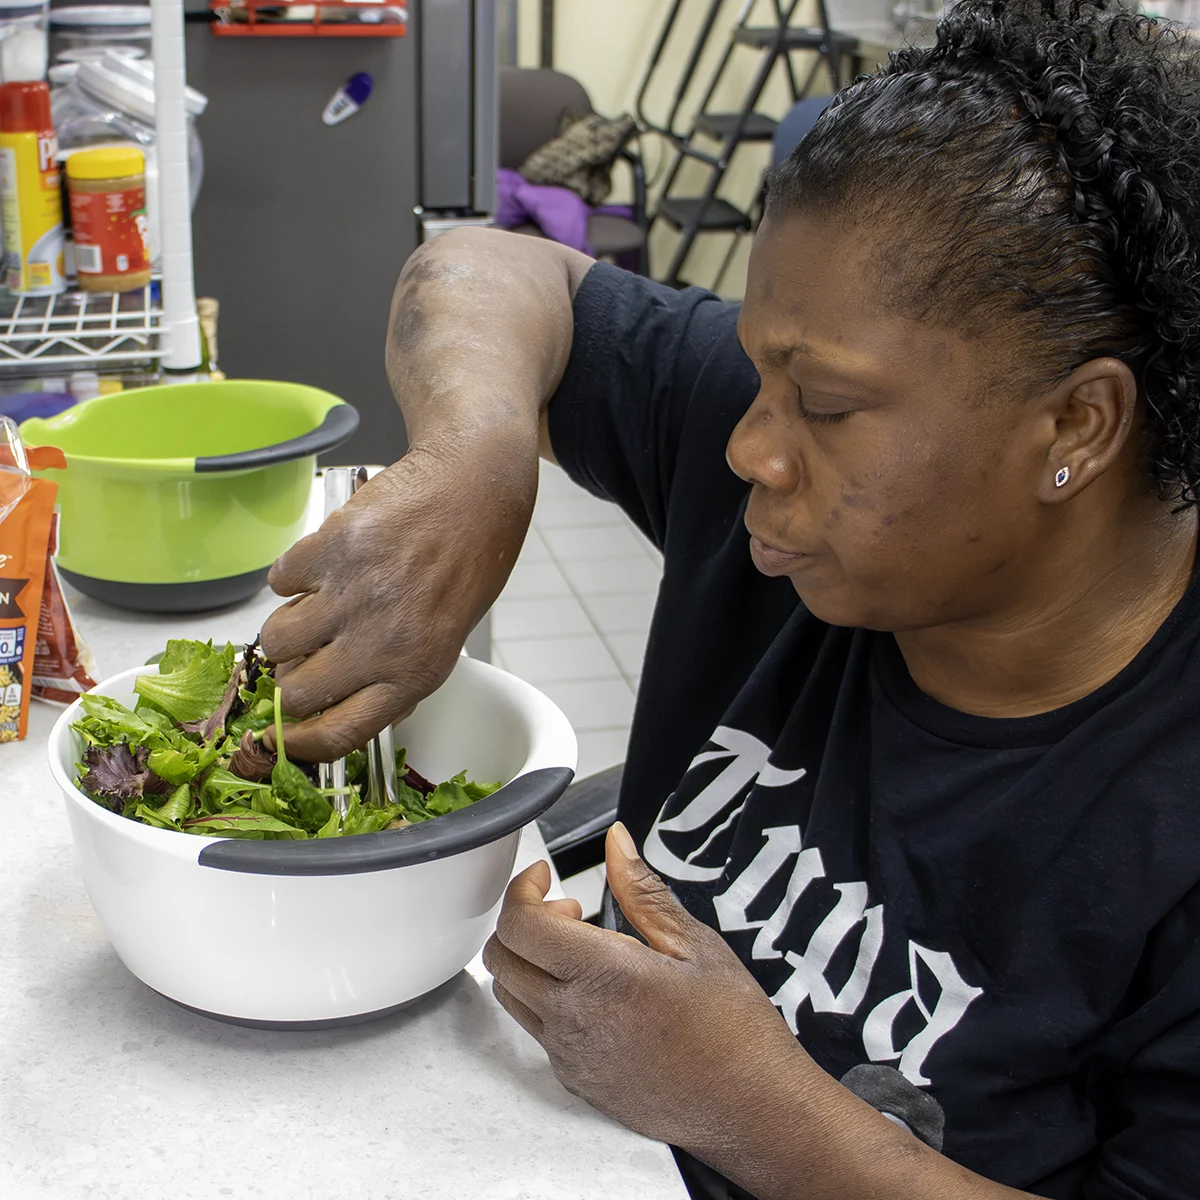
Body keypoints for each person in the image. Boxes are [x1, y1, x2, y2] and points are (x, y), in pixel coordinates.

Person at [259, 0, 1200, 1195]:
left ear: (1077, 424)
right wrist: (483, 454)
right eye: (757, 373)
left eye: (827, 408)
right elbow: (484, 266)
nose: (753, 446)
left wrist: (745, 1102)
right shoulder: (794, 463)